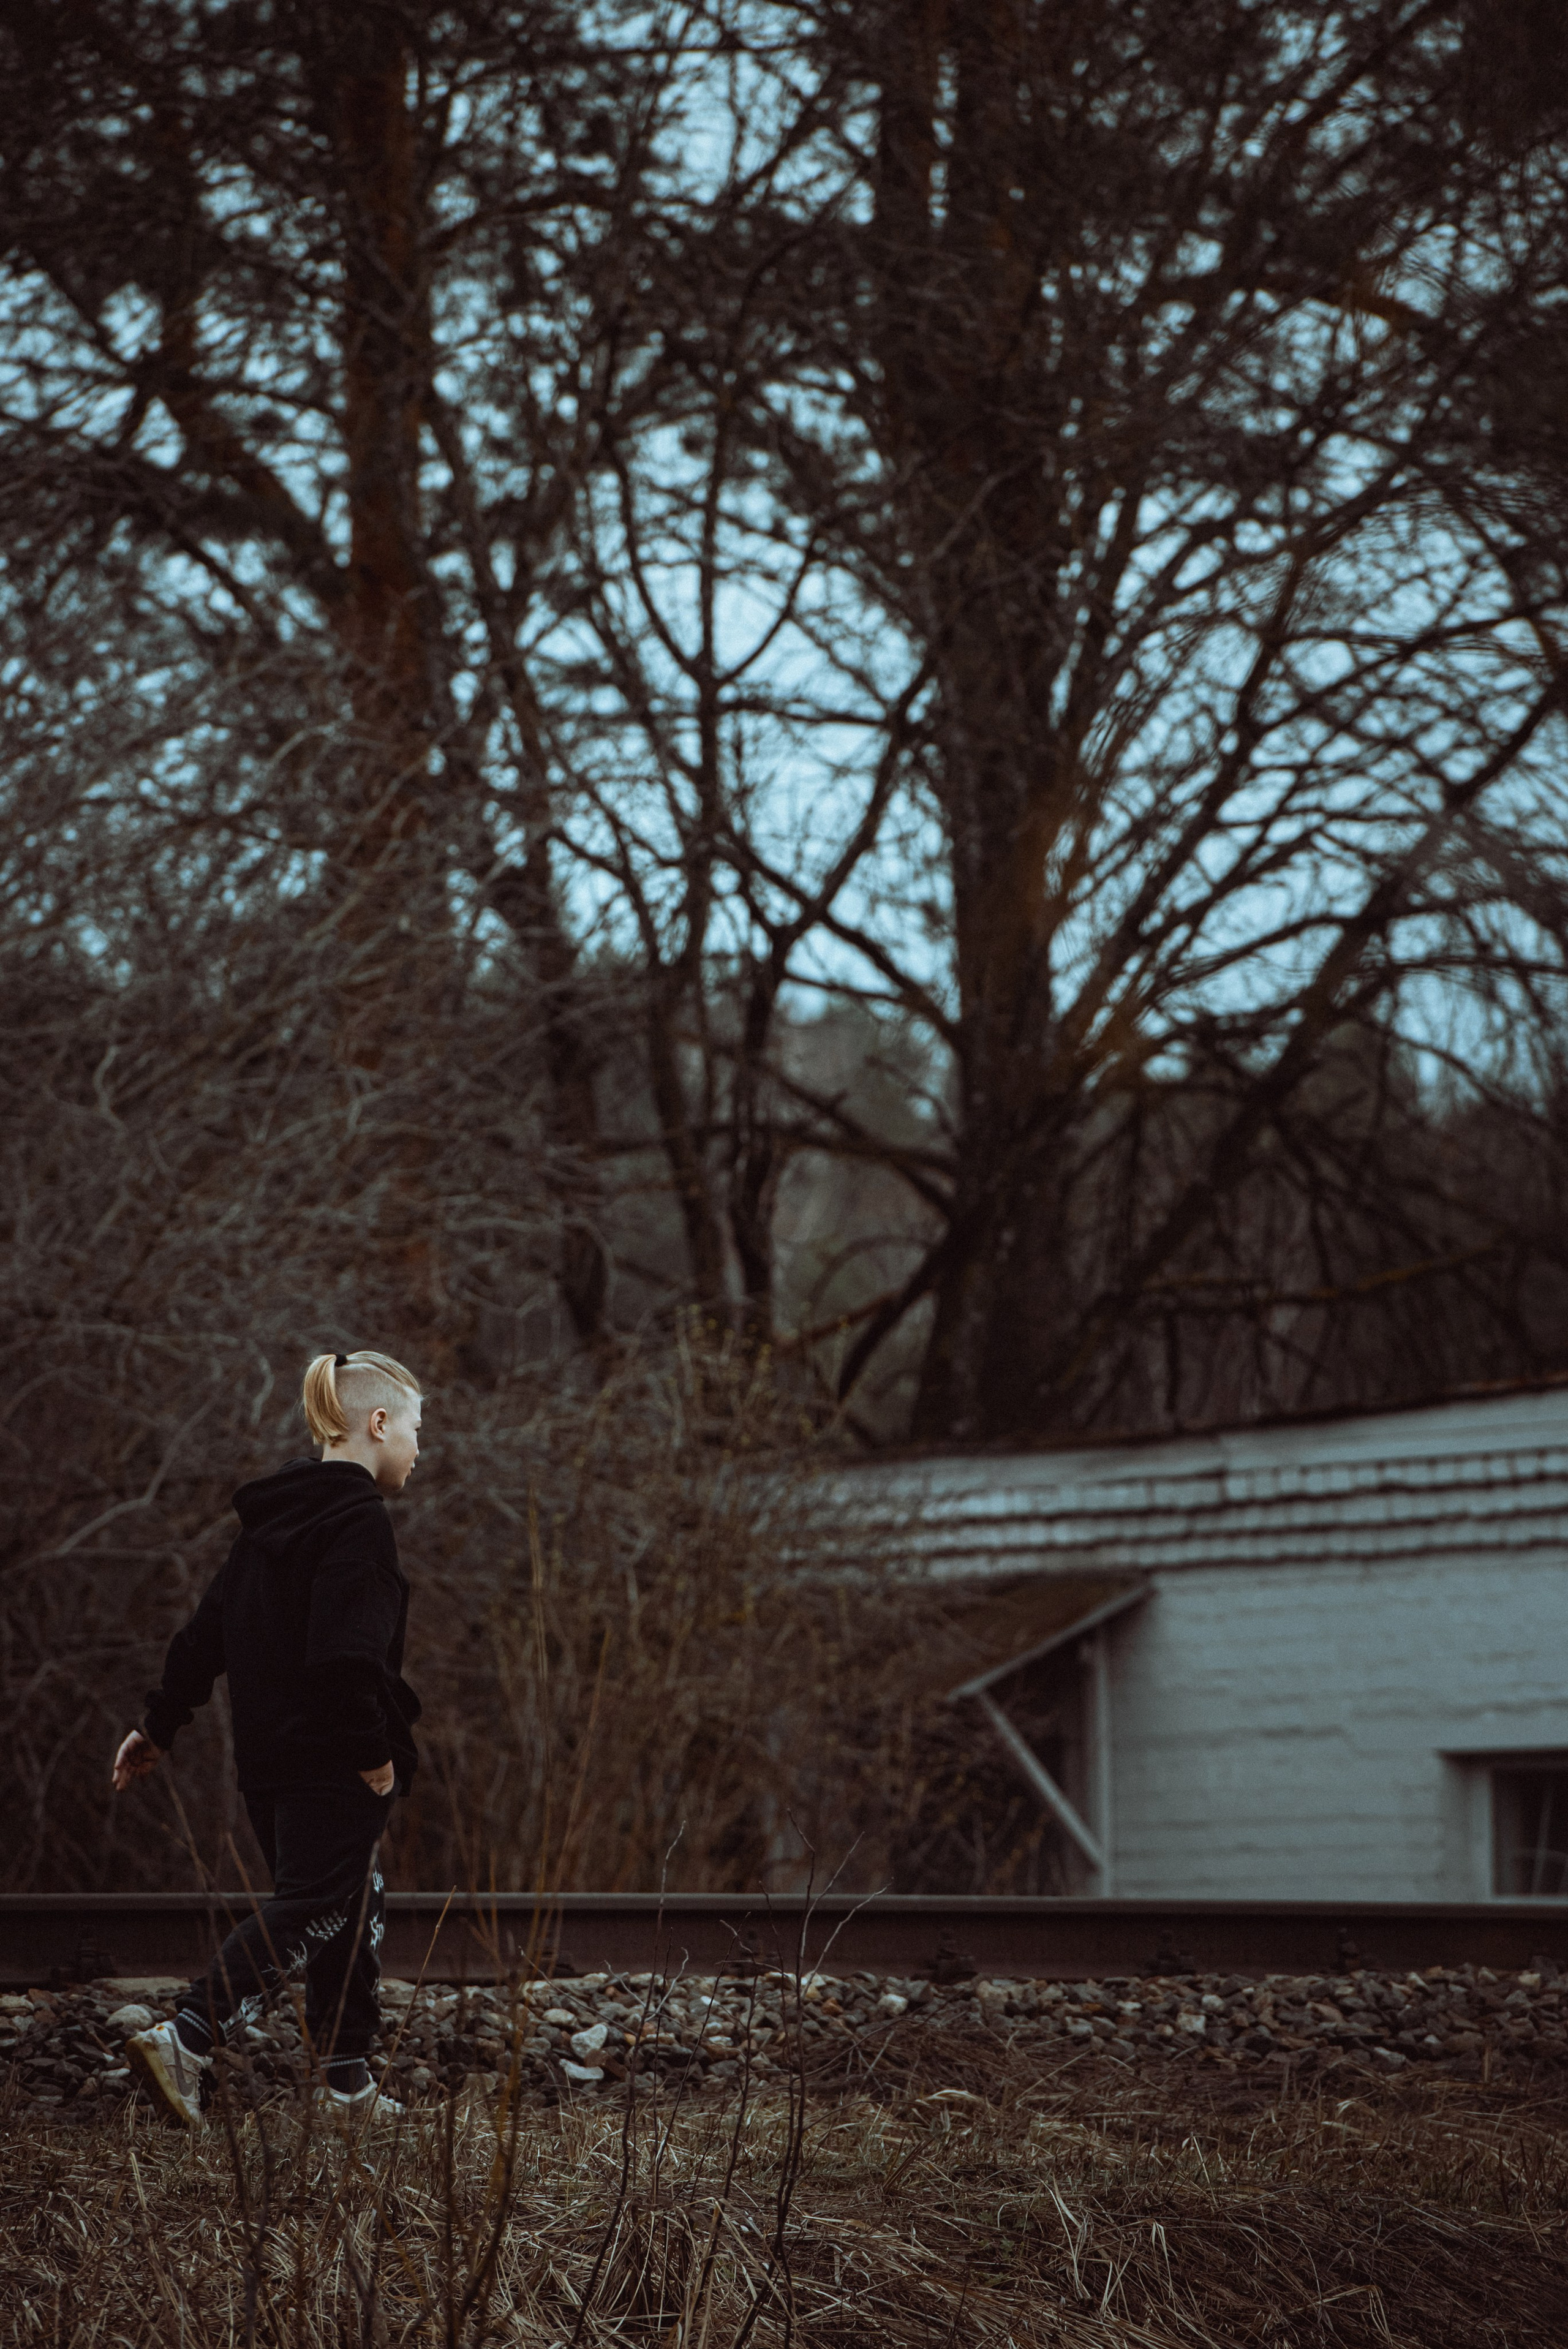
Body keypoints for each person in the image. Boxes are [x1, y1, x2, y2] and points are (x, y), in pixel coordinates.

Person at [111, 1349, 424, 2128]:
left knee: (347, 1901)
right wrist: (375, 1758)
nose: (420, 1447)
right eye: (416, 1428)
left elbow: (206, 1634)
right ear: (377, 1423)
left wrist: (157, 1724)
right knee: (314, 1905)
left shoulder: (271, 1523)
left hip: (269, 1765)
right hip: (333, 1762)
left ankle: (346, 2086)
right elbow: (347, 1659)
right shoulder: (359, 1522)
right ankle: (186, 2038)